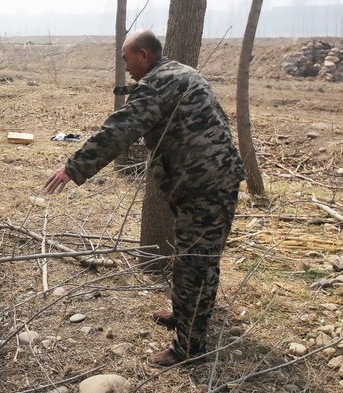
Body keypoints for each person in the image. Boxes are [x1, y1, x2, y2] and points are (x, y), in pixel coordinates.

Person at [45, 29, 246, 366]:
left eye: (127, 59)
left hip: (205, 185)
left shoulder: (158, 83)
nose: (125, 67)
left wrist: (73, 168)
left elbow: (120, 130)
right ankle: (185, 314)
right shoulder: (180, 72)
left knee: (194, 264)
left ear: (144, 55)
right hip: (209, 179)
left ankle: (190, 349)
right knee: (194, 257)